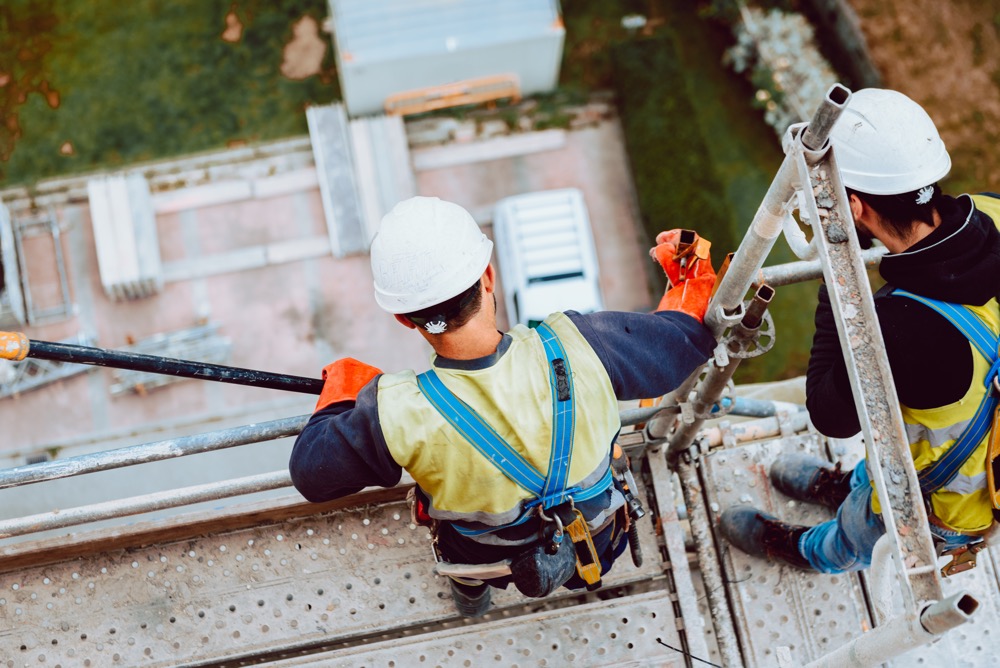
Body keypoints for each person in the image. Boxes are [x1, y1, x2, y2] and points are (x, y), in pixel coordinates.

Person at [289, 195, 717, 616]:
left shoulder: (397, 411)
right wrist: (689, 283)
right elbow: (684, 343)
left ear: (403, 318)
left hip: (483, 555)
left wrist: (346, 391)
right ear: (488, 277)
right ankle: (588, 582)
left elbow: (312, 473)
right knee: (588, 552)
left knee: (466, 568)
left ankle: (472, 597)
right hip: (597, 534)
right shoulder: (584, 345)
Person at [720, 88, 1000, 573]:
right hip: (968, 452)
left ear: (853, 207)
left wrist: (840, 280)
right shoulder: (992, 208)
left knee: (858, 528)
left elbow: (831, 415)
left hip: (943, 502)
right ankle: (844, 484)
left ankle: (810, 552)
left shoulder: (902, 328)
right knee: (874, 476)